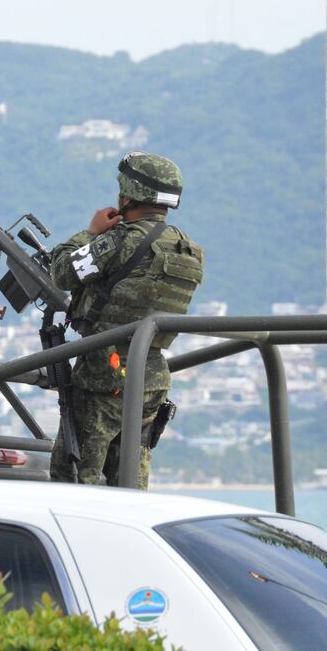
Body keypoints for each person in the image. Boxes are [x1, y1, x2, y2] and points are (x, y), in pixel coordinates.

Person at [48, 151, 203, 489]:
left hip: (103, 374)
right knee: (130, 483)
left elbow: (61, 272)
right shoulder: (187, 250)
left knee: (74, 480)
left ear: (127, 195)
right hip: (150, 377)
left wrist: (90, 233)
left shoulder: (118, 241)